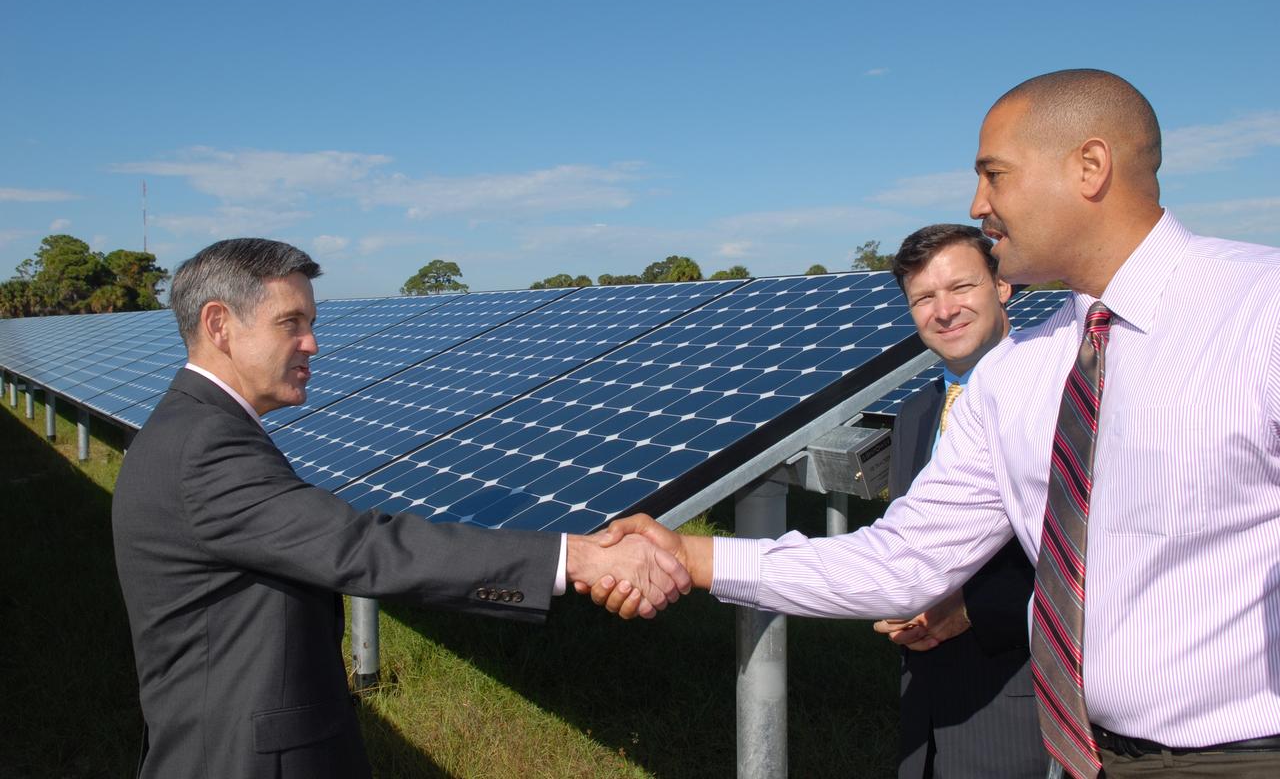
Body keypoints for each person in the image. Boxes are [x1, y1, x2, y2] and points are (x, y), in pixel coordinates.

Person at [593, 69, 1280, 779]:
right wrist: (692, 557)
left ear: (1090, 167)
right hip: (1093, 760)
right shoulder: (1020, 376)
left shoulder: (1262, 312)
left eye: (995, 174)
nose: (978, 203)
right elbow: (902, 561)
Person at [112, 238, 689, 779]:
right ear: (219, 325)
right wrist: (577, 558)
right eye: (291, 322)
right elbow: (362, 548)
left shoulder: (191, 426)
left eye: (311, 323)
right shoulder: (205, 447)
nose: (313, 342)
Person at [875, 224, 1046, 778]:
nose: (943, 310)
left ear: (1001, 287)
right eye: (924, 297)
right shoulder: (916, 414)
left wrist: (973, 608)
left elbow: (1096, 549)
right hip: (922, 701)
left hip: (1018, 697)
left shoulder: (1057, 397)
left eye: (961, 288)